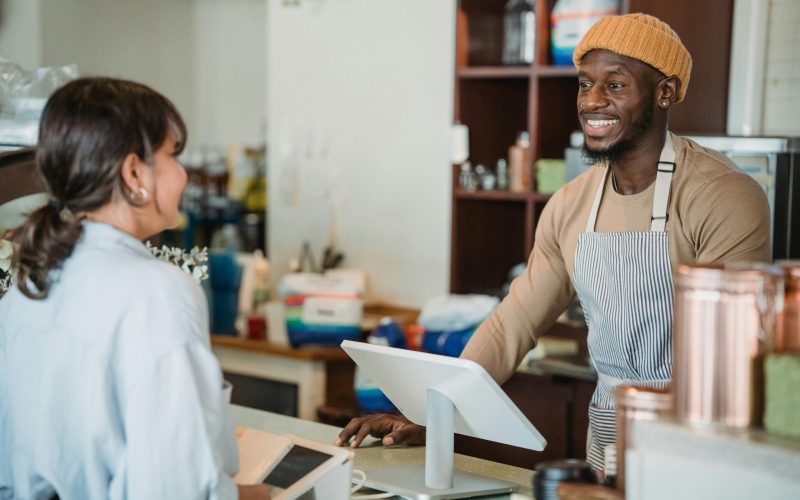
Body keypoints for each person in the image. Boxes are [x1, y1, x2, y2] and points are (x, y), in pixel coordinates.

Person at [336, 13, 771, 472]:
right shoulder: (570, 204)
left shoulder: (722, 196)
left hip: (703, 438)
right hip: (608, 431)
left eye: (616, 85)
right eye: (585, 84)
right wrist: (429, 415)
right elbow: (512, 325)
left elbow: (731, 356)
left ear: (664, 92)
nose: (592, 102)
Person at [0, 78, 268, 499]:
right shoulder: (157, 291)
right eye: (172, 155)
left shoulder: (28, 283)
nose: (183, 174)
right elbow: (176, 490)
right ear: (133, 172)